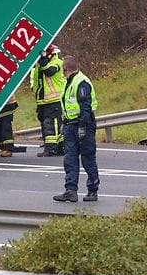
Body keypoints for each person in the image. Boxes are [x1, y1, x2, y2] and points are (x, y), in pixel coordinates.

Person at [53, 56, 100, 203]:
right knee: (70, 159)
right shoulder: (69, 82)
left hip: (83, 125)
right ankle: (70, 190)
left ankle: (93, 190)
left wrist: (82, 126)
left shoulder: (81, 82)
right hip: (70, 125)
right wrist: (64, 123)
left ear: (65, 68)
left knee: (88, 157)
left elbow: (85, 106)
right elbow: (67, 105)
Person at [30, 43, 66, 157]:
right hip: (43, 101)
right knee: (48, 124)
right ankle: (60, 147)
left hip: (53, 100)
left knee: (51, 125)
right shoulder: (40, 64)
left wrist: (43, 58)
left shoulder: (57, 63)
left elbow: (49, 71)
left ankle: (51, 149)